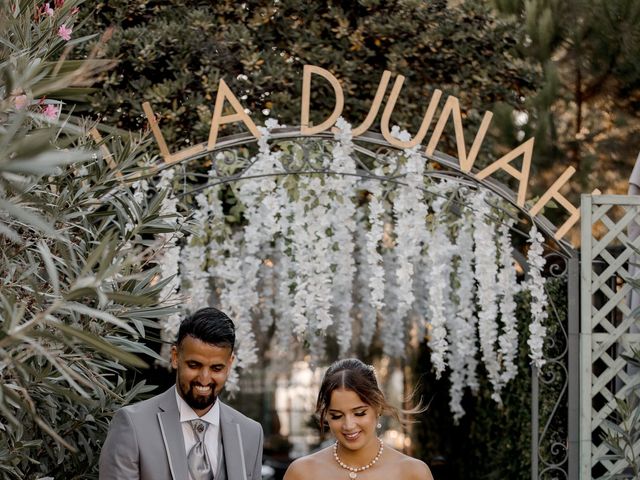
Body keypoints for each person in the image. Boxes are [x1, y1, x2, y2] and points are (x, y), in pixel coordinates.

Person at [99, 307, 263, 480]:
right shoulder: (133, 425)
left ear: (230, 364)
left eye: (216, 368)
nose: (204, 379)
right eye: (194, 365)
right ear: (176, 357)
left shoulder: (251, 433)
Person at [283, 358, 434, 480]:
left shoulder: (413, 473)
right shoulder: (302, 473)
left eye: (359, 413)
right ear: (326, 414)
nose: (348, 425)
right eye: (337, 416)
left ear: (378, 407)